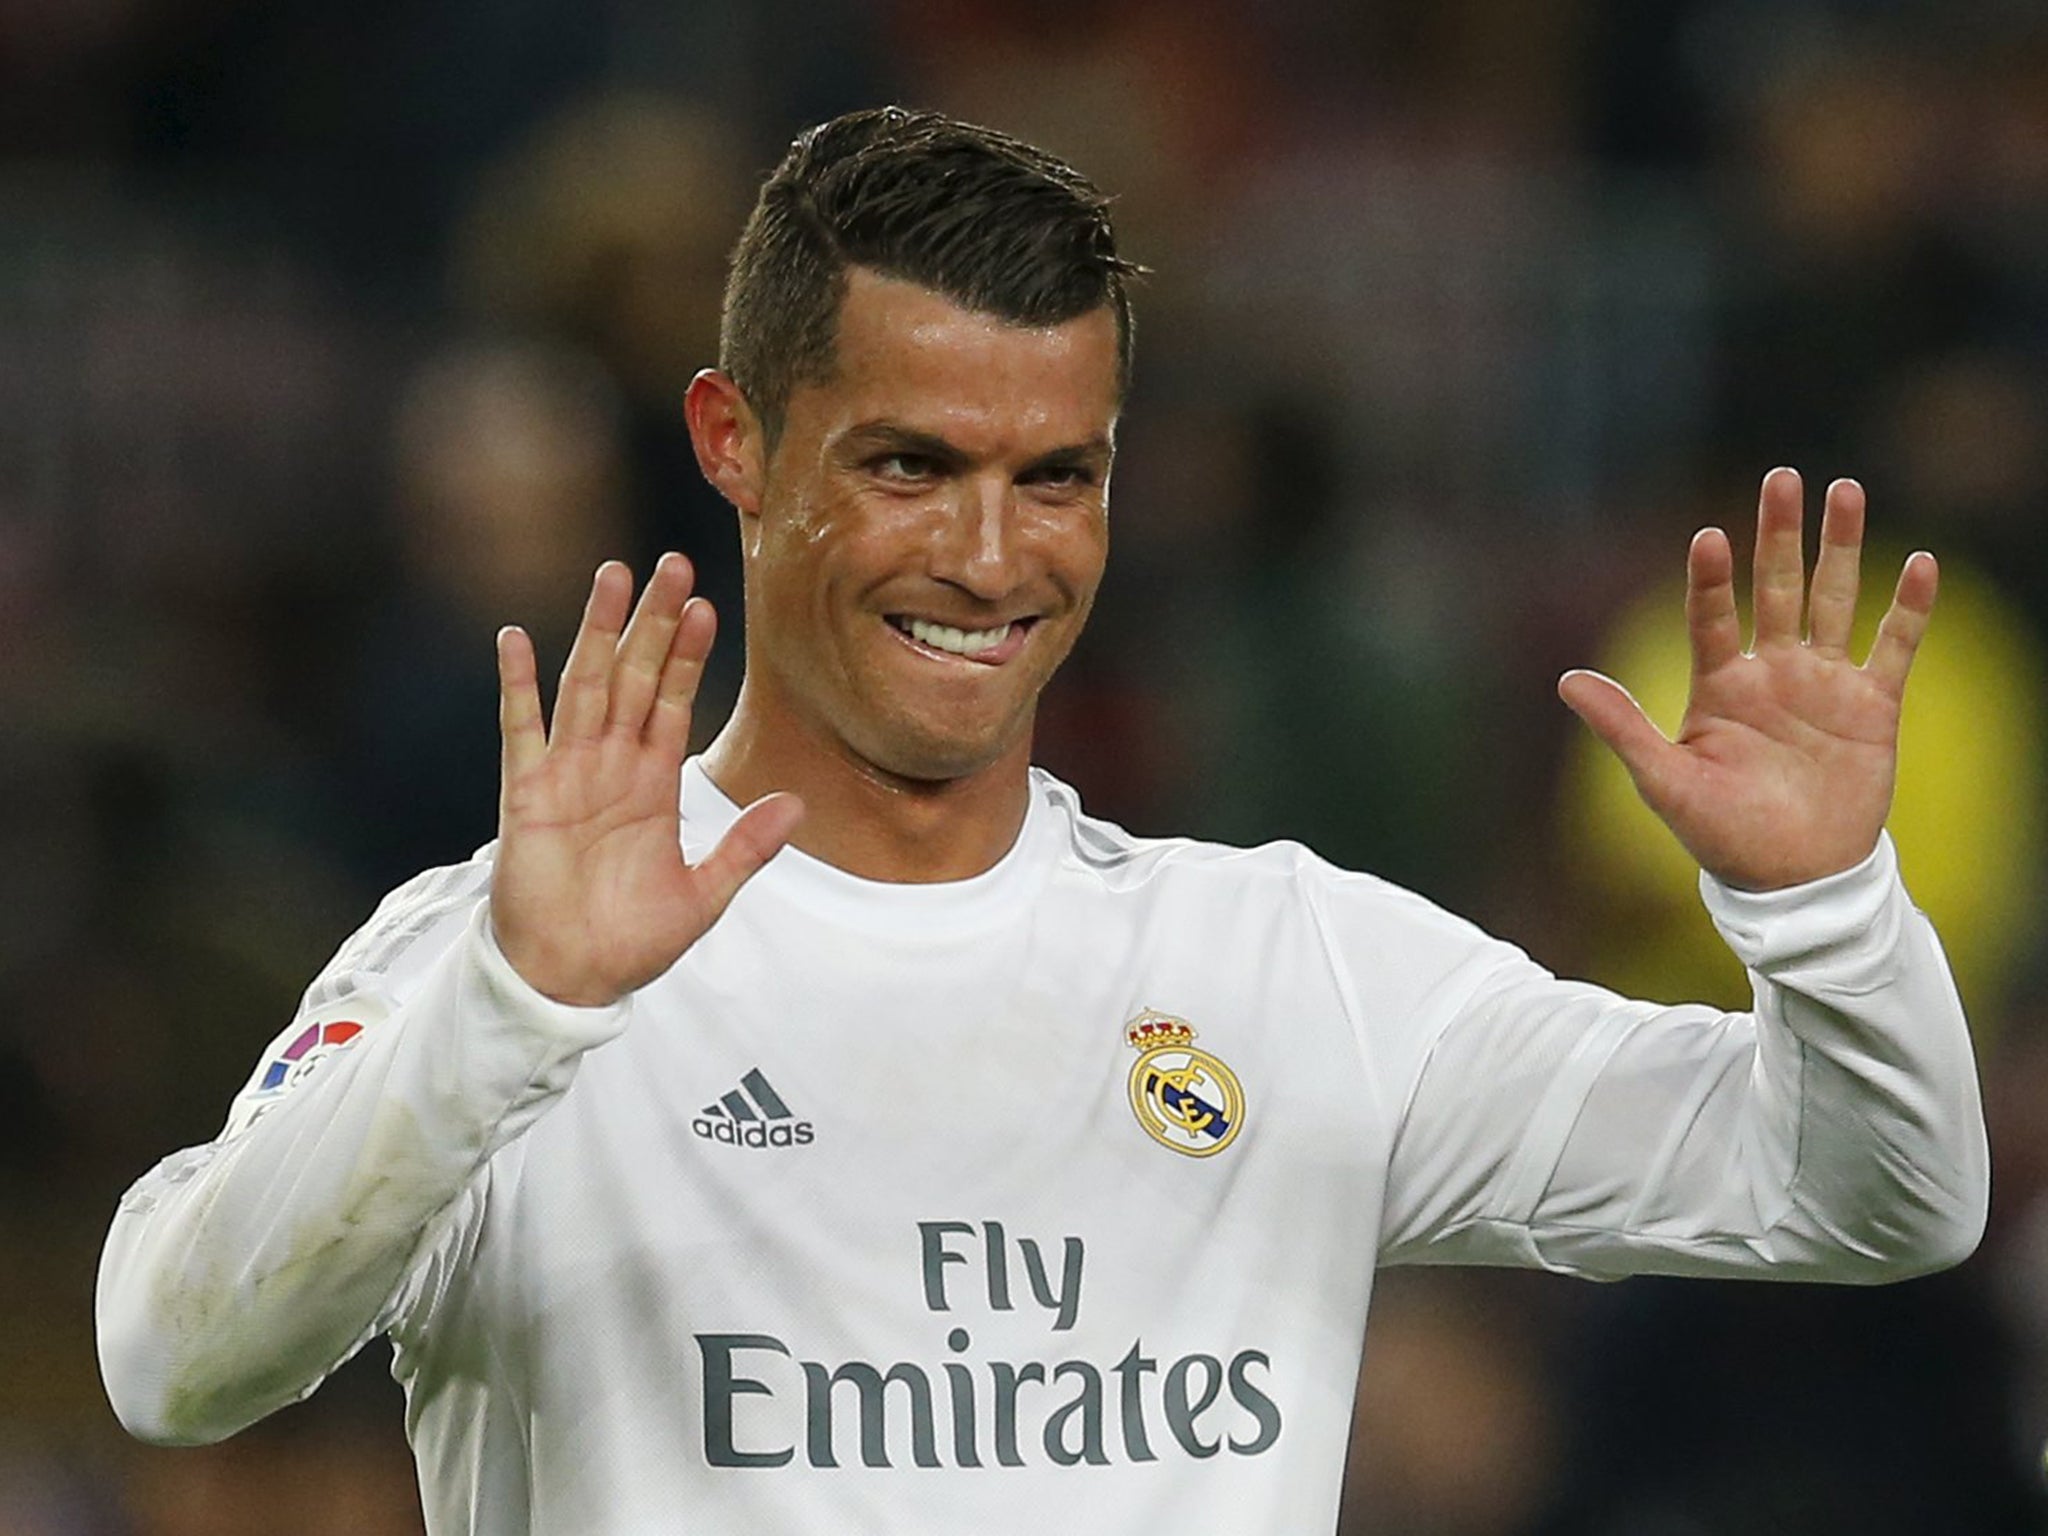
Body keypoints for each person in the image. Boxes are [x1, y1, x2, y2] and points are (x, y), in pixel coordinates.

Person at [96, 106, 1989, 1535]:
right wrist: (512, 1012)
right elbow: (174, 1361)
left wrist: (1823, 912)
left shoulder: (1286, 964)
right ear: (735, 440)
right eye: (911, 465)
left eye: (1055, 475)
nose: (992, 558)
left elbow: (1874, 1199)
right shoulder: (512, 958)